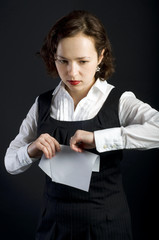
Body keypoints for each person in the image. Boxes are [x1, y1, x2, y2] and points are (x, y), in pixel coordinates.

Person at [4, 10, 159, 240]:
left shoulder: (119, 101)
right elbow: (9, 163)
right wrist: (32, 149)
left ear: (100, 56)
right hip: (53, 229)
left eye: (82, 61)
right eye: (63, 61)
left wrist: (99, 139)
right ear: (53, 58)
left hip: (106, 229)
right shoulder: (43, 104)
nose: (71, 72)